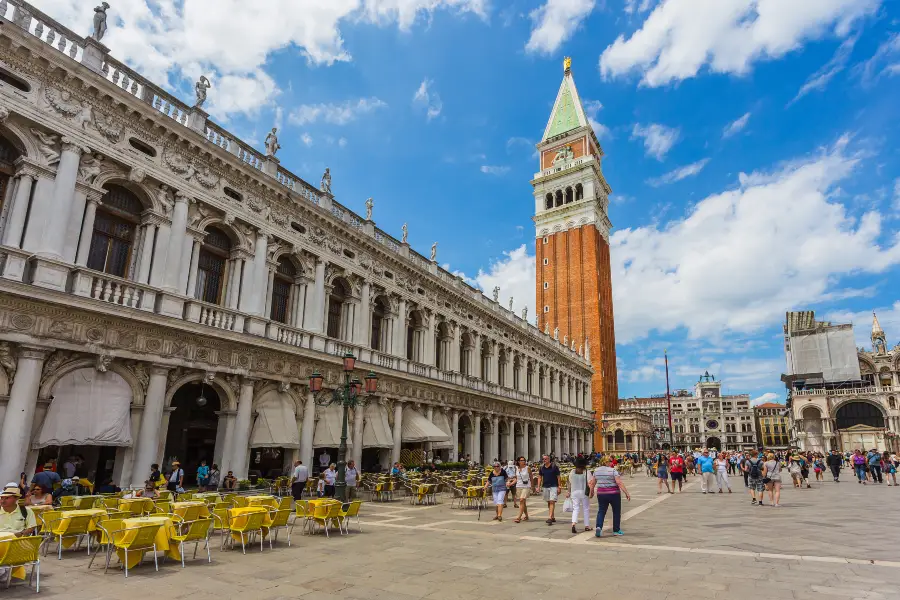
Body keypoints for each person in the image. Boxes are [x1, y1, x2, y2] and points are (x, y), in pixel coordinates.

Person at [589, 456, 630, 537]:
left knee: (601, 511)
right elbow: (619, 482)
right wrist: (626, 493)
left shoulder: (596, 471)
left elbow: (593, 483)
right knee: (616, 512)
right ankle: (616, 530)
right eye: (610, 461)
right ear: (606, 462)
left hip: (601, 494)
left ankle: (599, 527)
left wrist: (591, 491)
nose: (612, 463)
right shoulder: (613, 470)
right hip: (614, 494)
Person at [566, 457, 591, 533]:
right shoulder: (587, 472)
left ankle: (573, 524)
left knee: (576, 508)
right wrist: (592, 491)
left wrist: (568, 492)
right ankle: (587, 526)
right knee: (586, 509)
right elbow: (590, 483)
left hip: (574, 492)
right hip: (583, 492)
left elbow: (570, 483)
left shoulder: (572, 471)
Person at [537, 454, 560, 526]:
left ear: (549, 459)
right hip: (545, 486)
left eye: (546, 459)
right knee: (549, 502)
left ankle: (549, 517)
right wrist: (538, 486)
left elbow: (558, 477)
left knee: (552, 501)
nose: (544, 460)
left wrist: (559, 486)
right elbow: (540, 477)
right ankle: (552, 516)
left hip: (553, 486)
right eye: (543, 459)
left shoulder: (554, 467)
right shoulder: (541, 468)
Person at [512, 457, 531, 523]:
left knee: (521, 500)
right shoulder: (516, 468)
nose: (523, 461)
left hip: (526, 486)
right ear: (518, 461)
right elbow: (516, 478)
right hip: (518, 486)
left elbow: (531, 477)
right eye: (521, 460)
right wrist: (511, 483)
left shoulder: (527, 468)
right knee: (523, 502)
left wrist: (533, 487)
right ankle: (526, 515)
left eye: (524, 460)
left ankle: (519, 517)